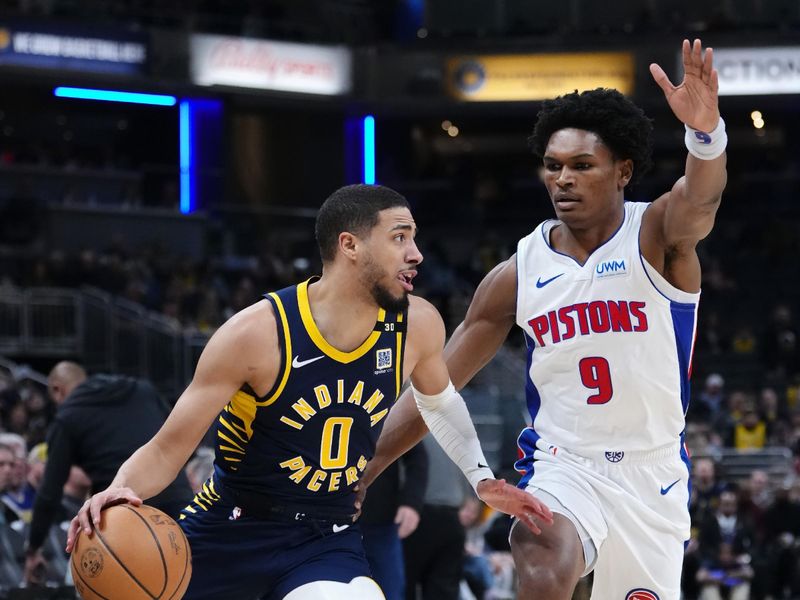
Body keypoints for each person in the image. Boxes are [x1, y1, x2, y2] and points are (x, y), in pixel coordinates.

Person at [360, 38, 727, 600]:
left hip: (650, 472)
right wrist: (366, 465)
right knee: (540, 559)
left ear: (623, 170)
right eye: (553, 167)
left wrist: (706, 136)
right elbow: (438, 382)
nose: (563, 179)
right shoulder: (518, 272)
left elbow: (700, 201)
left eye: (582, 166)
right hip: (562, 465)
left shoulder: (655, 235)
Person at [68, 184, 552, 600]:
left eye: (415, 238)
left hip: (325, 534)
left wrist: (480, 476)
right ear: (350, 245)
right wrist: (119, 488)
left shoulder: (417, 323)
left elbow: (440, 401)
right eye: (399, 237)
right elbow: (168, 447)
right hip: (230, 525)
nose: (416, 254)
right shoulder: (254, 334)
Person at [24, 361, 193, 585]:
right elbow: (180, 440)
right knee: (183, 586)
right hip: (178, 502)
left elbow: (50, 492)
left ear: (57, 389)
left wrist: (34, 548)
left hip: (121, 517)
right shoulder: (142, 389)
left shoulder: (68, 415)